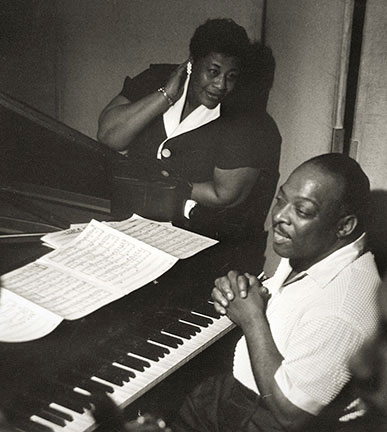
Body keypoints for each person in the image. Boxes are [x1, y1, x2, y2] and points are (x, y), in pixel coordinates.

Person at [171, 153, 381, 432]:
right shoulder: (314, 252)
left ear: (344, 226)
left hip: (271, 417)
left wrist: (251, 318)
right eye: (281, 200)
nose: (280, 216)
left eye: (302, 211)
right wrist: (242, 289)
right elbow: (288, 305)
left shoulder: (342, 308)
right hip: (237, 391)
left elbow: (290, 414)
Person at [97, 18, 281, 270]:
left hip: (205, 254)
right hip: (133, 229)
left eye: (231, 76)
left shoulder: (246, 120)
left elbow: (224, 194)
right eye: (213, 72)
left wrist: (164, 182)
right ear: (193, 62)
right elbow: (109, 135)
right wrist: (166, 96)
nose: (221, 85)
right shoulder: (156, 79)